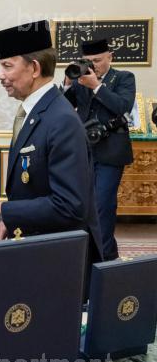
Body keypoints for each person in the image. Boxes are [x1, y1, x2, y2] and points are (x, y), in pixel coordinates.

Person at [0, 20, 103, 281]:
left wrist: (2, 209)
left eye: (7, 66)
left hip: (60, 260)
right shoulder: (37, 111)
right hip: (39, 249)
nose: (0, 75)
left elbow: (70, 206)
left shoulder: (61, 120)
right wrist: (11, 221)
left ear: (35, 68)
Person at [62, 39, 135, 261]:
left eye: (98, 60)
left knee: (103, 204)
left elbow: (122, 106)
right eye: (88, 60)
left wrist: (96, 86)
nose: (93, 65)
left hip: (111, 151)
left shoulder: (123, 78)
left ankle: (103, 258)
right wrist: (67, 84)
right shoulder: (81, 80)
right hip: (84, 150)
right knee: (84, 205)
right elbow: (63, 107)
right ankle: (95, 253)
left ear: (110, 57)